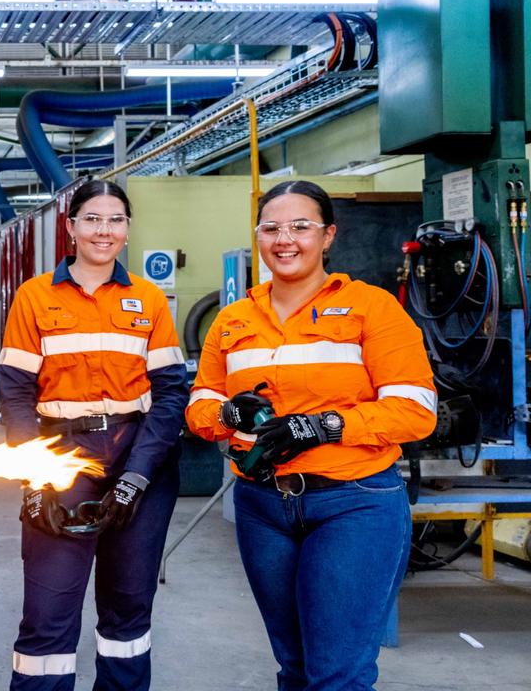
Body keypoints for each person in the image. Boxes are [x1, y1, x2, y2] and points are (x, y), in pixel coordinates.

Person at [185, 180, 437, 690]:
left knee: (336, 675)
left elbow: (416, 410)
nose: (286, 239)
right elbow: (200, 403)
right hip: (262, 506)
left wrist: (326, 425)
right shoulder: (232, 321)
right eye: (272, 227)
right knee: (295, 668)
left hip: (353, 502)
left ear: (328, 236)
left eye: (302, 226)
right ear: (257, 236)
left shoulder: (373, 308)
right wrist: (230, 413)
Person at [0, 179, 189, 691]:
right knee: (48, 610)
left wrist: (138, 477)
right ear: (72, 227)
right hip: (62, 457)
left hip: (138, 455)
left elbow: (171, 394)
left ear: (127, 230)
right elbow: (15, 395)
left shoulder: (148, 299)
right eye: (93, 219)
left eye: (116, 220)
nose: (104, 230)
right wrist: (34, 480)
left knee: (129, 609)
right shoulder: (35, 297)